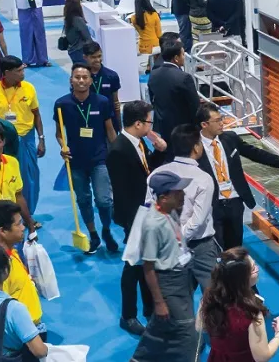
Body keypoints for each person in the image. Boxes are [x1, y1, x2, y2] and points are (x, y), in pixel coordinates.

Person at [197, 102, 279, 250]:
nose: (222, 123)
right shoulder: (194, 146)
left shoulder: (230, 138)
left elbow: (255, 154)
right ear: (204, 124)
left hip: (234, 202)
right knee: (216, 249)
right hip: (211, 205)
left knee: (235, 249)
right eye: (217, 120)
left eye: (222, 118)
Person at [107, 100, 168, 335]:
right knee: (133, 265)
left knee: (146, 262)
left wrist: (159, 151)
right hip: (135, 216)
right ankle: (128, 315)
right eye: (150, 122)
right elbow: (121, 192)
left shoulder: (139, 142)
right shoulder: (119, 150)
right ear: (138, 123)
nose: (152, 127)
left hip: (146, 211)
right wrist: (134, 223)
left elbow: (147, 172)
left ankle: (149, 309)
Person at [131, 171, 197, 362]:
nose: (183, 195)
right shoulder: (152, 225)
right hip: (169, 283)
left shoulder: (171, 212)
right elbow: (148, 267)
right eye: (178, 192)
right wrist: (159, 302)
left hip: (182, 278)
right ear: (163, 197)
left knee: (162, 328)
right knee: (187, 331)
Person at [54, 63, 119, 254]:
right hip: (75, 161)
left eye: (85, 77)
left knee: (104, 201)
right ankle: (93, 235)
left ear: (91, 80)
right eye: (77, 77)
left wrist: (117, 153)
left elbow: (110, 130)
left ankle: (106, 229)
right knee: (83, 200)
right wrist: (62, 146)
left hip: (99, 159)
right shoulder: (62, 104)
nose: (81, 80)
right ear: (71, 80)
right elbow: (59, 134)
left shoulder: (102, 102)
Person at [150, 125, 217, 294]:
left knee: (175, 298)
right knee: (215, 299)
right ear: (196, 147)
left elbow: (151, 210)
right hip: (201, 247)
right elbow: (198, 220)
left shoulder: (157, 174)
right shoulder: (203, 178)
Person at [201, 247, 279, 362]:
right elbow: (262, 357)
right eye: (253, 268)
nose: (257, 269)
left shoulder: (209, 298)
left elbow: (200, 326)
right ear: (242, 279)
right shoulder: (251, 312)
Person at [0, 55, 46, 215]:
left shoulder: (29, 88)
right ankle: (10, 214)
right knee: (6, 179)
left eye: (22, 70)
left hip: (26, 139)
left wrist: (41, 139)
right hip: (3, 142)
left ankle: (28, 214)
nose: (22, 73)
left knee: (30, 177)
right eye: (18, 71)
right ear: (7, 72)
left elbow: (36, 114)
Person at [0, 201, 44, 336]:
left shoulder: (9, 251)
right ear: (3, 231)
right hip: (23, 334)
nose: (23, 227)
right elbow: (0, 310)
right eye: (18, 224)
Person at [147, 39, 200, 142]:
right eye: (183, 54)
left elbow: (152, 99)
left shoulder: (153, 74)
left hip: (162, 127)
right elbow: (195, 105)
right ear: (176, 58)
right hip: (183, 130)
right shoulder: (184, 77)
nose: (184, 57)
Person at [8, 0, 49, 68]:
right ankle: (27, 60)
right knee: (25, 34)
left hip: (36, 7)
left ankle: (43, 59)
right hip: (23, 9)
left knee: (39, 33)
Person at [83, 41, 123, 131]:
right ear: (85, 57)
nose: (97, 60)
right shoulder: (80, 77)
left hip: (109, 119)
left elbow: (116, 103)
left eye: (99, 56)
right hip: (88, 120)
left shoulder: (112, 76)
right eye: (93, 57)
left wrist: (119, 126)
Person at [129, 0, 162, 74]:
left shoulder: (134, 18)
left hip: (142, 46)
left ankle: (149, 66)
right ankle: (153, 66)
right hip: (154, 45)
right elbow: (159, 34)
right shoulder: (154, 15)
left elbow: (140, 31)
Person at [63, 0, 92, 64]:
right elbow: (88, 39)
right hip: (80, 51)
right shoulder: (78, 20)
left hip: (72, 50)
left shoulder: (67, 19)